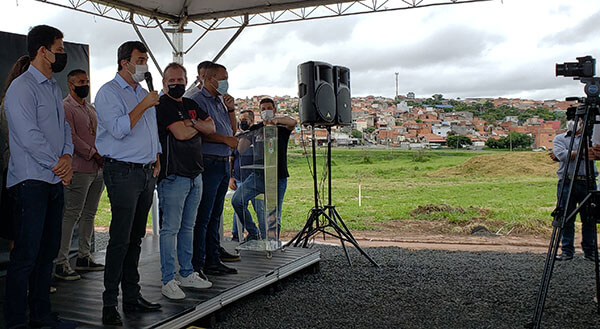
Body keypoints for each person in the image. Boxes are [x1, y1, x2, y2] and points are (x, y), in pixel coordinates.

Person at [3, 25, 76, 329]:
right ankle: (17, 321)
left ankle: (42, 316)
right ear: (43, 50)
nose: (63, 54)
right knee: (26, 256)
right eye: (59, 48)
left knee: (47, 253)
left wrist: (68, 157)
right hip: (30, 183)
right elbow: (28, 136)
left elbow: (65, 129)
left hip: (52, 182)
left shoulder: (52, 87)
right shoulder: (21, 88)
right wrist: (58, 164)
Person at [95, 40, 162, 326]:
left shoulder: (143, 92)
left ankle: (132, 297)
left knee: (136, 238)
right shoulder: (108, 93)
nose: (144, 64)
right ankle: (109, 303)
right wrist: (144, 104)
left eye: (146, 59)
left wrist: (156, 154)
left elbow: (151, 128)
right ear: (125, 62)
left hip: (147, 172)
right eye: (140, 59)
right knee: (120, 239)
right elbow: (120, 129)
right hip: (122, 172)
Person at [155, 62, 216, 299]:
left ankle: (187, 272)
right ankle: (168, 279)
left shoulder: (191, 104)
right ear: (164, 82)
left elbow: (211, 127)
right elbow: (179, 133)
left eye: (180, 80)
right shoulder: (162, 105)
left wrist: (192, 124)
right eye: (172, 80)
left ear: (186, 80)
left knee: (188, 226)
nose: (176, 84)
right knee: (170, 229)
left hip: (195, 174)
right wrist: (195, 126)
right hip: (173, 176)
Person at [54, 69, 105, 281]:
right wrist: (93, 153)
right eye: (80, 82)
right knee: (71, 215)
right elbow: (71, 137)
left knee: (90, 213)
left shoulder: (90, 108)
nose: (85, 84)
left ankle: (84, 256)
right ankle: (61, 261)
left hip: (97, 170)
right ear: (71, 85)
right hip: (79, 168)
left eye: (87, 81)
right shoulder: (67, 107)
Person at [190, 62, 240, 276]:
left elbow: (232, 129)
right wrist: (225, 140)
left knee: (216, 214)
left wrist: (230, 109)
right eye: (222, 77)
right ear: (209, 79)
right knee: (204, 215)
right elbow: (201, 130)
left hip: (222, 162)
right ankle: (200, 262)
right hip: (208, 161)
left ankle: (213, 256)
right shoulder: (196, 100)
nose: (225, 82)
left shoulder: (220, 100)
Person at [231, 98, 296, 239]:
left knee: (273, 215)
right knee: (237, 200)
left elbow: (293, 122)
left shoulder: (282, 128)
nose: (266, 111)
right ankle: (253, 232)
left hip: (277, 176)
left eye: (269, 108)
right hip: (258, 175)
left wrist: (277, 120)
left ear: (274, 110)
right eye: (263, 109)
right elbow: (241, 149)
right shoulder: (256, 128)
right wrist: (244, 131)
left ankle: (272, 244)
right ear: (259, 112)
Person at [550, 113, 598, 262]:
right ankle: (567, 251)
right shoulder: (560, 138)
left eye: (578, 120)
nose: (573, 123)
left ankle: (590, 252)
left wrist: (575, 153)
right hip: (567, 181)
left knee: (589, 218)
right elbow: (562, 155)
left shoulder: (590, 139)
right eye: (570, 119)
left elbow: (595, 153)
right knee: (566, 217)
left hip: (588, 181)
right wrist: (584, 152)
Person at [229, 109, 262, 242]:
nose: (242, 122)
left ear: (252, 121)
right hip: (239, 179)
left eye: (245, 120)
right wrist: (231, 177)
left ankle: (263, 235)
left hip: (255, 180)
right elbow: (231, 158)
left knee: (259, 210)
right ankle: (237, 235)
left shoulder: (258, 136)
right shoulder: (237, 138)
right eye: (240, 120)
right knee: (238, 208)